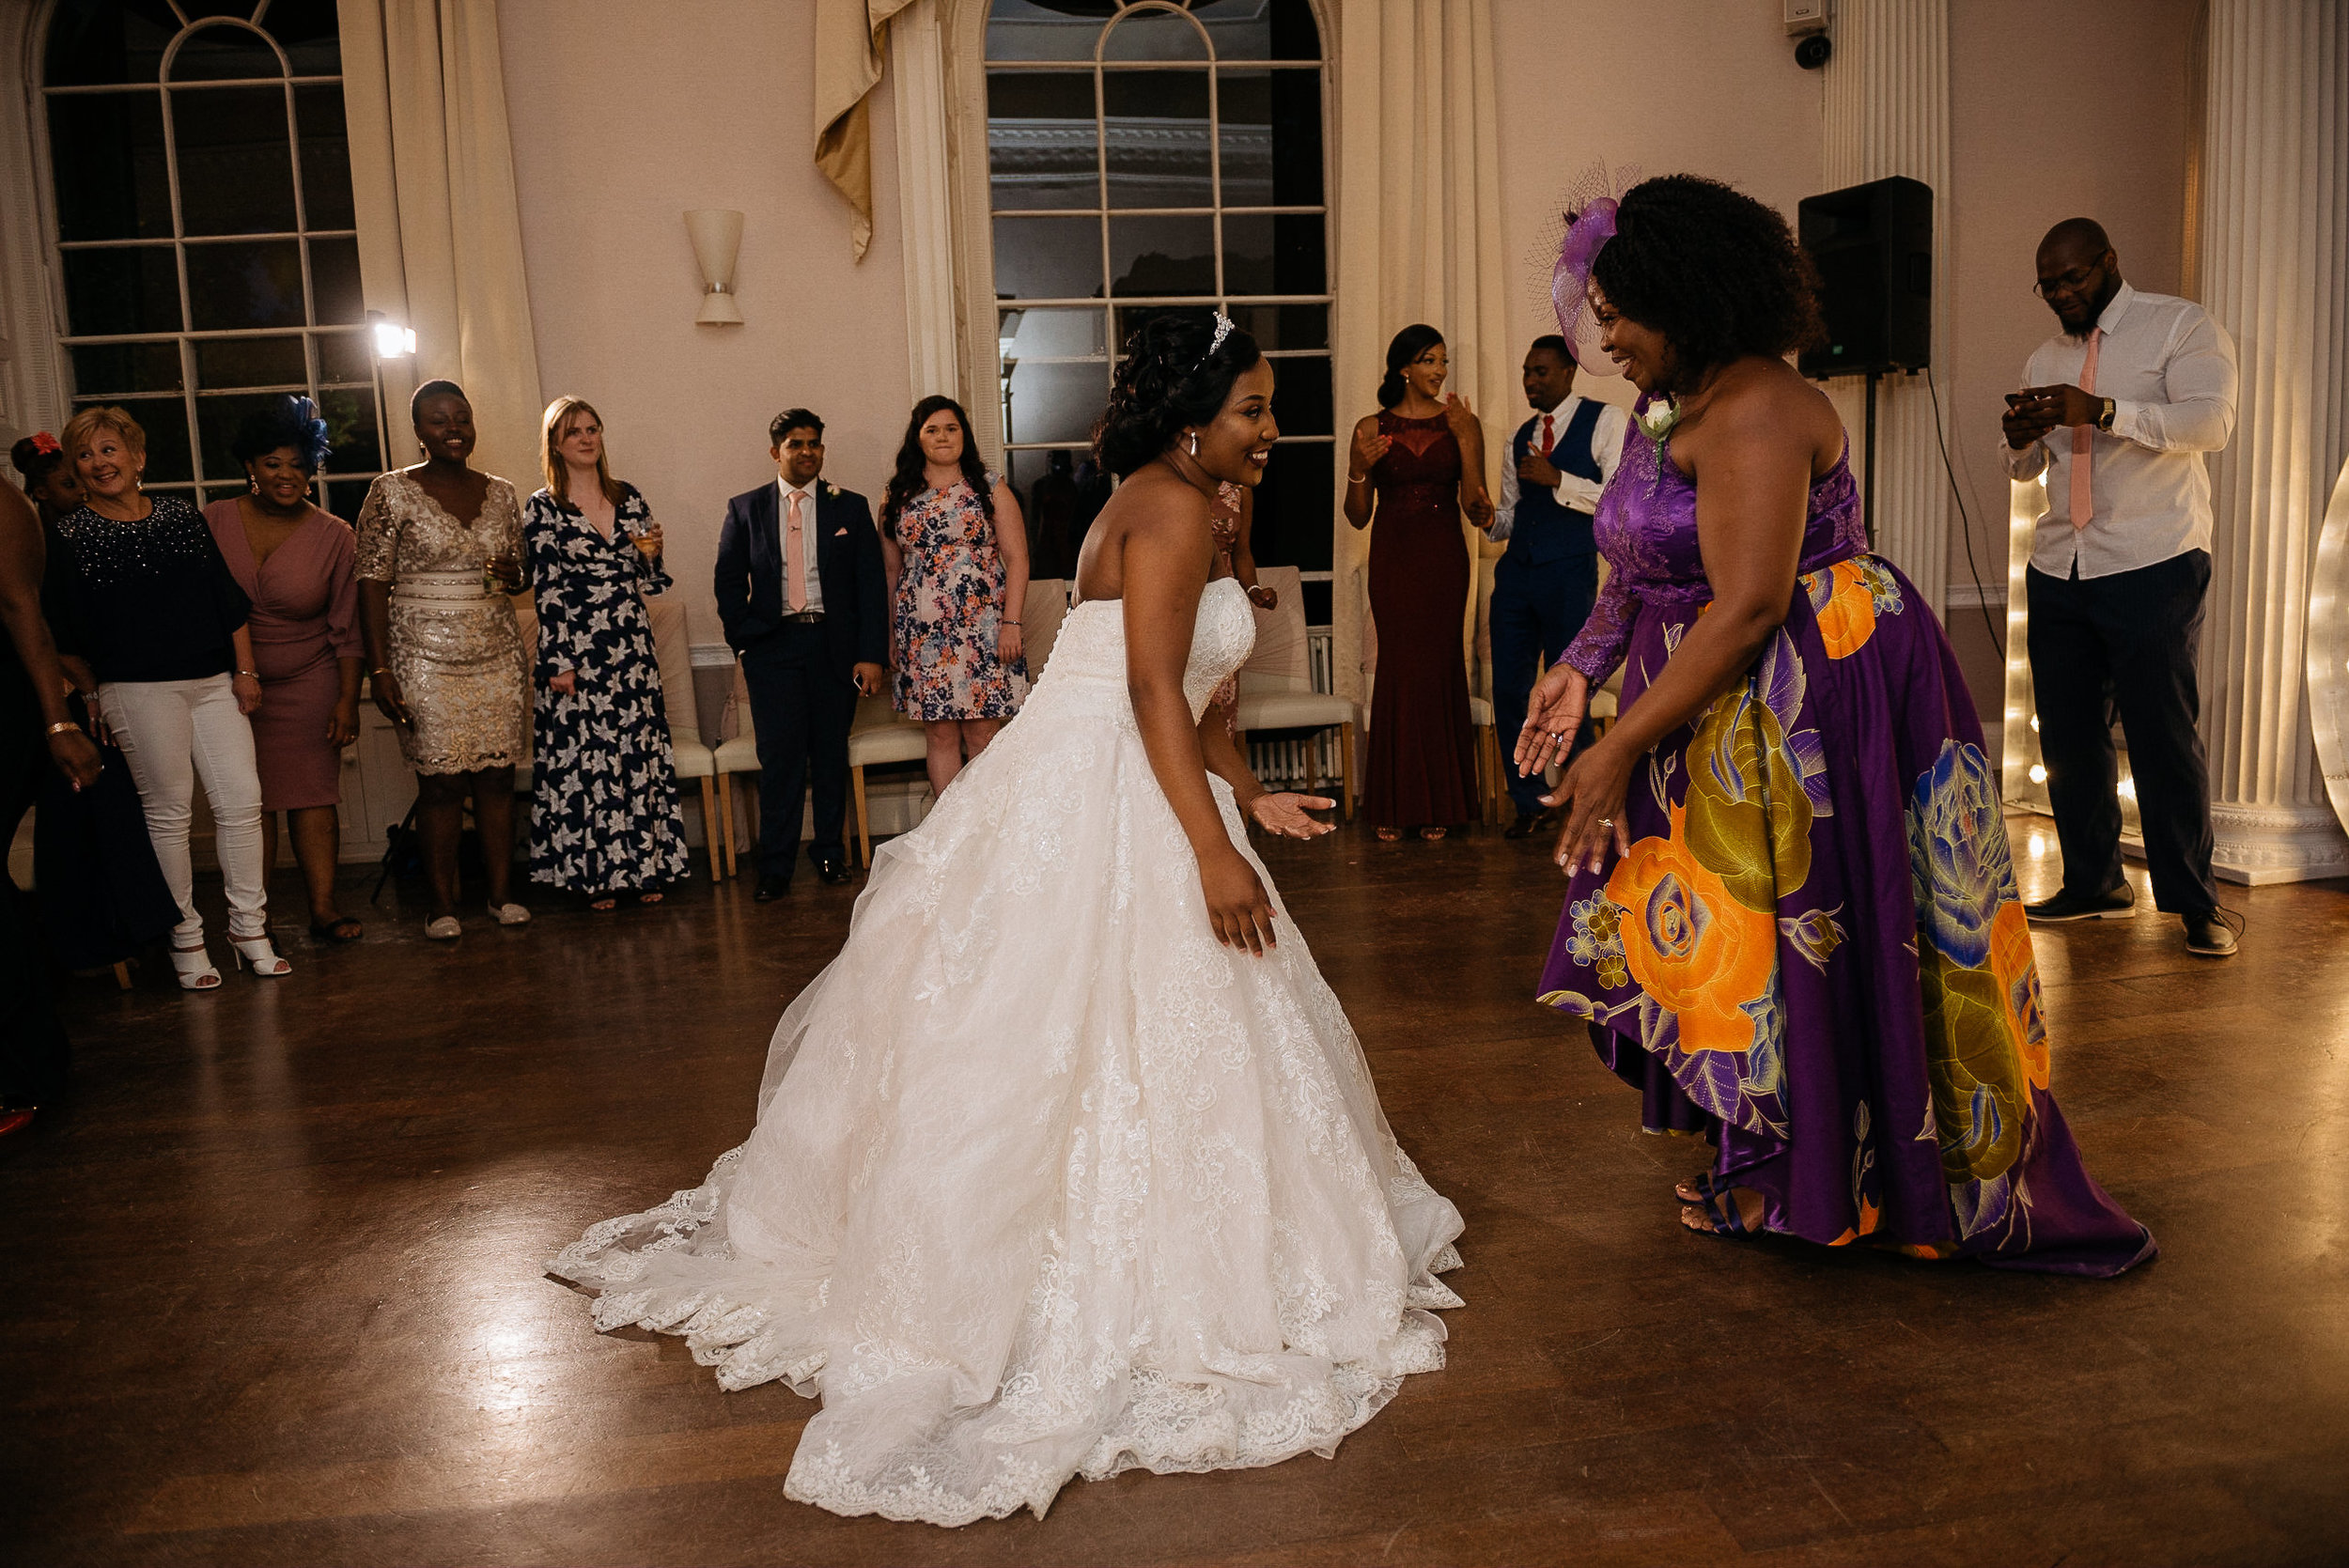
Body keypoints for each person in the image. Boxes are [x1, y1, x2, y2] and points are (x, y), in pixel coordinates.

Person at [549, 312, 1462, 1527]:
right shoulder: (1174, 506)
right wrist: (1208, 850)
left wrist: (1249, 796)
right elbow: (1144, 688)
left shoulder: (1184, 501)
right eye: (1251, 406)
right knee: (1063, 1028)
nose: (1269, 427)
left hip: (1138, 770)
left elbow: (1203, 693)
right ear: (1194, 417)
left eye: (1270, 406)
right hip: (1111, 785)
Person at [1520, 175, 2154, 1273]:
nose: (1603, 336)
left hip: (1810, 697)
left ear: (1688, 295)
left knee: (1813, 934)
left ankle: (1825, 1179)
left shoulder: (1759, 405)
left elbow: (1752, 601)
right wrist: (1580, 670)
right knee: (1745, 943)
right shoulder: (1667, 403)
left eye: (1620, 313)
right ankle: (1767, 1153)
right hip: (1714, 701)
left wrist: (1619, 743)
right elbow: (1628, 564)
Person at [2000, 218, 2240, 957]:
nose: (2062, 294)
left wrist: (2101, 409)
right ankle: (2095, 880)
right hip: (2061, 562)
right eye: (2050, 285)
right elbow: (2030, 470)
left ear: (2108, 262)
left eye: (2073, 278)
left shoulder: (2179, 325)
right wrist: (2020, 441)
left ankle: (2196, 904)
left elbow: (2211, 422)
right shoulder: (2046, 353)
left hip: (2152, 559)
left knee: (2161, 734)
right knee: (2070, 737)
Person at [44, 406, 289, 987]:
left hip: (212, 684)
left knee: (241, 803)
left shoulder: (182, 516)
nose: (100, 463)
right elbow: (54, 627)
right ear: (76, 470)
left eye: (110, 450)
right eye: (85, 454)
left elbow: (226, 601)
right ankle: (184, 936)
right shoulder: (68, 535)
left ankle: (248, 928)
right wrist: (91, 691)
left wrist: (246, 671)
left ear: (138, 458)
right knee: (170, 812)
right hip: (135, 690)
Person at [355, 380, 531, 939]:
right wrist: (380, 669)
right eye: (438, 419)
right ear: (418, 432)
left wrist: (515, 576)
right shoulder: (391, 492)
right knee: (442, 784)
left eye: (462, 416)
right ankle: (441, 904)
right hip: (420, 653)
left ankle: (502, 896)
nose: (453, 427)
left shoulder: (502, 492)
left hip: (497, 650)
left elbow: (519, 570)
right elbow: (370, 583)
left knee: (499, 778)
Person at [202, 396, 366, 943]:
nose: (287, 475)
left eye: (298, 463)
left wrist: (347, 701)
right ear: (250, 465)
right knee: (248, 802)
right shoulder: (213, 521)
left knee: (313, 796)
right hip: (226, 688)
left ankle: (323, 909)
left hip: (309, 682)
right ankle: (255, 919)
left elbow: (348, 628)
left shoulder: (336, 535)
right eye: (273, 463)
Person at [522, 396, 690, 909]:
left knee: (637, 756)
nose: (587, 439)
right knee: (587, 762)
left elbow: (652, 582)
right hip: (578, 648)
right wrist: (559, 661)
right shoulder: (543, 506)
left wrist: (654, 553)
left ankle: (646, 868)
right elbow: (545, 588)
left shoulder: (628, 496)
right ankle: (597, 875)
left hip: (631, 645)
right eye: (575, 432)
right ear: (555, 442)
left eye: (593, 429)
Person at [713, 410, 887, 900]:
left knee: (830, 754)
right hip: (773, 649)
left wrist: (870, 654)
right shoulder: (745, 509)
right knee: (781, 759)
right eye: (795, 444)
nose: (807, 451)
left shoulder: (848, 508)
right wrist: (744, 637)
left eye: (814, 443)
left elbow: (870, 585)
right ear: (776, 452)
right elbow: (727, 581)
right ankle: (776, 866)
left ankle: (830, 853)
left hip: (834, 645)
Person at [1344, 324, 1493, 842]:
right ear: (1404, 366)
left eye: (1444, 361)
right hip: (1394, 558)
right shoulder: (1369, 427)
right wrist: (1358, 471)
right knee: (1400, 669)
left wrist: (1469, 441)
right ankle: (1392, 800)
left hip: (1445, 559)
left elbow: (1476, 506)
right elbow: (1357, 518)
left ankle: (1441, 804)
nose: (1440, 370)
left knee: (1441, 666)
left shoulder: (1461, 422)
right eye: (1430, 360)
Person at [1486, 334, 1626, 838]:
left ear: (1568, 372)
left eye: (1540, 371)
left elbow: (1615, 500)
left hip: (1569, 574)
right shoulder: (1518, 436)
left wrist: (1558, 478)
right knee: (1509, 689)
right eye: (1526, 372)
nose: (1531, 381)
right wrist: (1487, 517)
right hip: (1515, 575)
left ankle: (1588, 805)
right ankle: (1530, 803)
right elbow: (1507, 516)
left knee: (1573, 690)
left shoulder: (1606, 421)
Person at [1, 475, 103, 1133]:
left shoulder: (3, 504)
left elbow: (21, 609)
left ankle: (27, 1071)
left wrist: (59, 723)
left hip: (11, 706)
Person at [879, 396, 1031, 799]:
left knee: (983, 731)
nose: (943, 437)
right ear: (918, 438)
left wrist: (1011, 624)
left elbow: (1018, 560)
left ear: (964, 434)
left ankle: (986, 831)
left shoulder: (990, 488)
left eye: (951, 428)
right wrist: (892, 634)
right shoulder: (895, 495)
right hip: (922, 633)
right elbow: (892, 572)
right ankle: (950, 835)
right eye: (932, 429)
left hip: (985, 629)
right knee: (940, 732)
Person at [1025, 447, 1081, 579]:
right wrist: (1034, 543)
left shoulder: (1071, 486)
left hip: (1066, 538)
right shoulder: (1042, 485)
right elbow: (1035, 518)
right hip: (1047, 538)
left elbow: (1076, 517)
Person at [11, 432, 85, 527]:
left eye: (83, 480)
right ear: (41, 492)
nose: (82, 490)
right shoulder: (34, 535)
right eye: (69, 485)